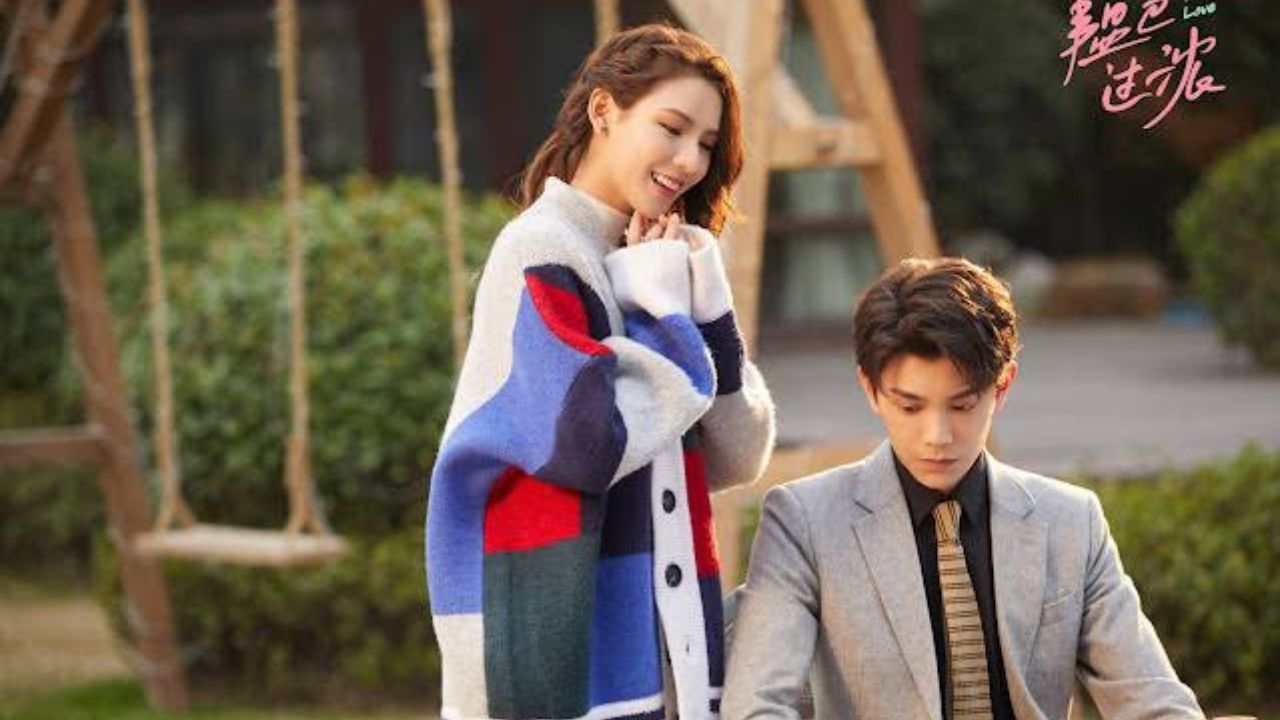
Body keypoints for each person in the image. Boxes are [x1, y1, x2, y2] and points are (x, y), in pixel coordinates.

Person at [426, 23, 776, 720]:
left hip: (655, 630)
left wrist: (698, 299)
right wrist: (659, 314)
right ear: (603, 110)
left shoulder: (656, 259)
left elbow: (739, 455)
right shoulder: (542, 249)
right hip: (551, 638)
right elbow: (586, 443)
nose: (689, 161)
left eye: (707, 144)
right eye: (671, 128)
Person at [722, 258, 1204, 719]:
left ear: (1002, 386)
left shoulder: (1071, 523)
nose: (938, 435)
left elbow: (1152, 700)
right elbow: (756, 707)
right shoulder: (805, 523)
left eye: (962, 405)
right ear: (870, 389)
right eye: (910, 407)